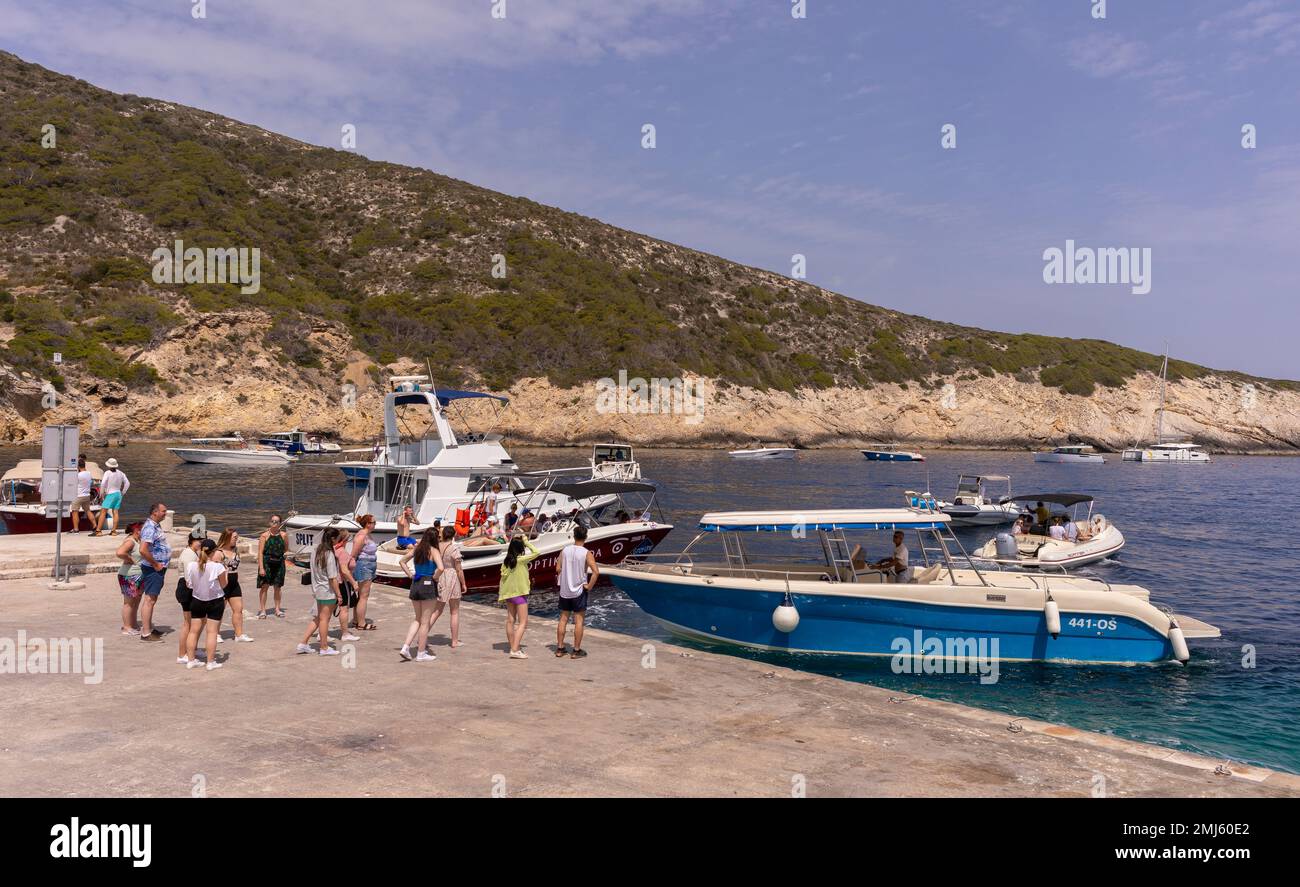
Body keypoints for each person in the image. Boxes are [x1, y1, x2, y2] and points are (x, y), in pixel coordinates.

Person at [398, 528, 443, 662]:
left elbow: (402, 561)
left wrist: (410, 575)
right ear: (435, 538)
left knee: (417, 619)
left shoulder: (417, 549)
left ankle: (405, 647)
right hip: (428, 583)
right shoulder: (434, 551)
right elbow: (441, 568)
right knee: (425, 622)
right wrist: (434, 578)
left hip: (416, 583)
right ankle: (421, 653)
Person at [185, 540, 228, 671]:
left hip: (197, 600)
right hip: (215, 601)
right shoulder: (218, 567)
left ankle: (191, 660)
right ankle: (210, 662)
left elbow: (189, 585)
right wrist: (224, 571)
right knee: (212, 632)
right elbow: (224, 585)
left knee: (193, 631)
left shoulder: (191, 565)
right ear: (214, 552)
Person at [556, 525, 598, 659]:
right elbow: (596, 572)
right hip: (579, 590)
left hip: (565, 590)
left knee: (563, 619)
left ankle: (560, 648)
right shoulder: (586, 553)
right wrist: (589, 586)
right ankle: (576, 650)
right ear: (585, 537)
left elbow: (558, 568)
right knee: (578, 620)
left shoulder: (565, 550)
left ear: (573, 536)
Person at [297, 528, 341, 656]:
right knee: (324, 620)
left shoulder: (315, 550)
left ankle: (303, 643)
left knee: (318, 618)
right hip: (327, 591)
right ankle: (324, 647)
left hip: (317, 590)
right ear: (333, 539)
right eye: (337, 538)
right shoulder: (329, 554)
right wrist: (339, 594)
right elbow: (333, 578)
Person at [498, 536, 540, 659]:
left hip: (509, 595)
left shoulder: (506, 561)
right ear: (520, 548)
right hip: (519, 594)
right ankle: (515, 650)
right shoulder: (521, 560)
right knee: (523, 623)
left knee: (510, 620)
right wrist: (527, 542)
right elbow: (537, 552)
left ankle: (513, 646)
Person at [427, 526, 467, 649]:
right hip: (452, 576)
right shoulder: (454, 548)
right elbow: (459, 569)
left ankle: (423, 635)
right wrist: (463, 583)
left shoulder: (438, 546)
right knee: (454, 611)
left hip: (440, 576)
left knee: (437, 611)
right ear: (453, 535)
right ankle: (454, 641)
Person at [137, 502, 170, 642]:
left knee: (153, 598)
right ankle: (145, 632)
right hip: (153, 568)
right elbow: (143, 549)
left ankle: (148, 627)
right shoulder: (150, 527)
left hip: (157, 567)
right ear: (155, 512)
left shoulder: (155, 526)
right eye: (163, 511)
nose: (165, 513)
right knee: (149, 600)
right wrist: (155, 564)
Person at [215, 529, 253, 643]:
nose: (236, 539)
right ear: (227, 538)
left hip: (234, 583)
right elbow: (214, 570)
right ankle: (215, 634)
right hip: (222, 583)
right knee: (219, 610)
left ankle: (239, 634)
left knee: (238, 609)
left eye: (237, 537)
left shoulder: (236, 550)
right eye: (234, 537)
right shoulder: (218, 553)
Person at [175, 530, 206, 664]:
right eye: (199, 541)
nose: (201, 544)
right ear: (192, 541)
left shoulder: (193, 553)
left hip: (189, 588)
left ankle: (192, 648)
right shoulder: (188, 554)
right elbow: (189, 577)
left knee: (198, 621)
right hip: (187, 589)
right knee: (188, 623)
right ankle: (182, 654)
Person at [350, 514, 379, 631]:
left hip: (369, 565)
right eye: (374, 522)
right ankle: (361, 623)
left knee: (361, 595)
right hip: (364, 566)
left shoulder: (368, 535)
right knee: (363, 596)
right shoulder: (361, 536)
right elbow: (353, 554)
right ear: (368, 524)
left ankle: (356, 619)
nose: (375, 524)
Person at [256, 515, 288, 618]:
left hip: (279, 563)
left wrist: (277, 554)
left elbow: (286, 548)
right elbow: (260, 552)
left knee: (277, 587)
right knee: (264, 586)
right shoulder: (264, 535)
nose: (274, 523)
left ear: (280, 524)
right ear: (269, 522)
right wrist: (261, 567)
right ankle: (262, 610)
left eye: (277, 521)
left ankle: (277, 609)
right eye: (272, 521)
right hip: (266, 563)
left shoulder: (284, 535)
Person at [116, 522, 144, 635]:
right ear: (137, 530)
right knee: (129, 602)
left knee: (136, 602)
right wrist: (130, 559)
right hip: (129, 575)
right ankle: (127, 627)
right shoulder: (130, 541)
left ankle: (133, 624)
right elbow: (119, 552)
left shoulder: (138, 541)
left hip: (138, 575)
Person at [332, 528, 361, 642]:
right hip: (342, 583)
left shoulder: (333, 550)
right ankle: (345, 633)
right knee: (344, 608)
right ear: (344, 540)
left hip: (333, 582)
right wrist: (354, 583)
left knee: (330, 608)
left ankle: (321, 632)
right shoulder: (342, 552)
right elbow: (344, 570)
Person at [94, 458, 129, 536]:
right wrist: (123, 492)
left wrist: (101, 494)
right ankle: (113, 531)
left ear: (108, 465)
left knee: (103, 511)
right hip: (118, 494)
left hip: (110, 494)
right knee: (115, 512)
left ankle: (98, 531)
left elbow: (103, 484)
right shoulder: (121, 473)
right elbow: (127, 483)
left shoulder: (107, 473)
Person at [71, 456, 95, 533]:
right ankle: (95, 525)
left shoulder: (78, 475)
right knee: (88, 511)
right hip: (86, 495)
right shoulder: (89, 473)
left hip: (78, 496)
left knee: (75, 512)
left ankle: (76, 529)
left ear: (78, 466)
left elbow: (72, 484)